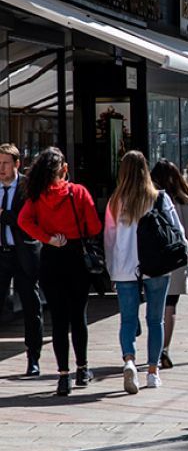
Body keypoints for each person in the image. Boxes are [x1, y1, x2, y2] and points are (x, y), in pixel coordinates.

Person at [106, 152, 188, 393]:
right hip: (157, 266)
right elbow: (176, 232)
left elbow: (109, 239)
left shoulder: (115, 201)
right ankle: (152, 371)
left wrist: (111, 271)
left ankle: (129, 360)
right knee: (155, 320)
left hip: (125, 267)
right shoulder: (159, 198)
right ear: (145, 170)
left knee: (128, 319)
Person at [18, 147, 101, 396]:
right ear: (64, 169)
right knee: (79, 317)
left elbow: (23, 221)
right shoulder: (78, 192)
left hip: (51, 257)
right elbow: (94, 227)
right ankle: (83, 370)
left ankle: (63, 376)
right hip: (76, 257)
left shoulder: (36, 196)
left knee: (58, 320)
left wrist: (48, 238)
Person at [151, 159, 188, 369]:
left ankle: (152, 348)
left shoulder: (147, 198)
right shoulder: (183, 200)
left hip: (151, 260)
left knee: (154, 305)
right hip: (174, 259)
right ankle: (164, 349)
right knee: (170, 305)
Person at [0, 144, 43, 376]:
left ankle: (33, 357)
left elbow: (28, 220)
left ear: (17, 164)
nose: (1, 168)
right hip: (1, 253)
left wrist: (4, 216)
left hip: (23, 253)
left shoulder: (28, 188)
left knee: (30, 306)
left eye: (5, 163)